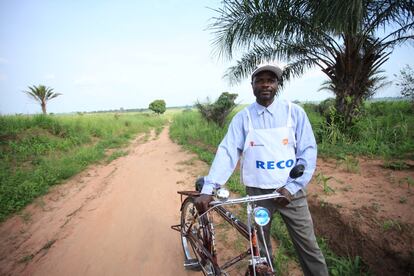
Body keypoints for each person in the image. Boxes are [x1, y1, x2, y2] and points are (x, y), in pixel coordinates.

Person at [195, 64, 329, 276]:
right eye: (260, 80)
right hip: (258, 194)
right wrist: (209, 187)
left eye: (271, 80)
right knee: (261, 248)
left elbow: (307, 152)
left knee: (309, 247)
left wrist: (292, 187)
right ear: (253, 86)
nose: (266, 84)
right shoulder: (243, 118)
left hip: (291, 193)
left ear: (277, 85)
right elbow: (228, 152)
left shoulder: (294, 113)